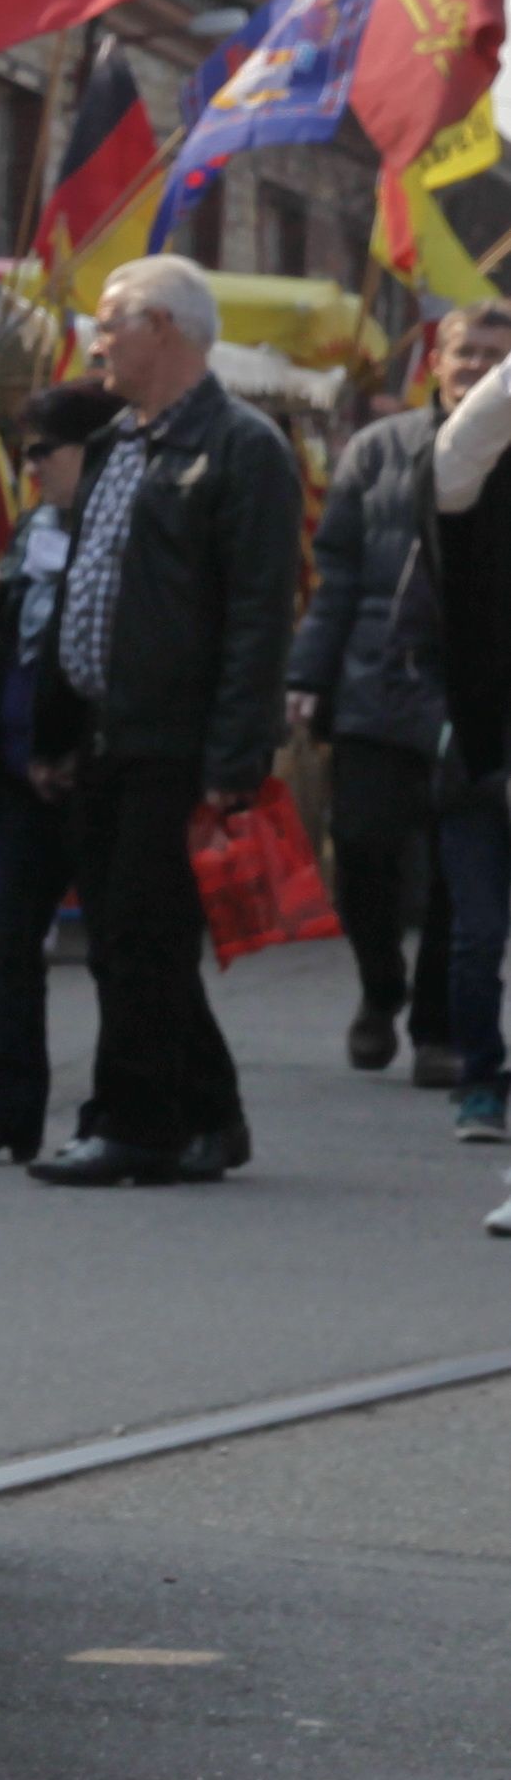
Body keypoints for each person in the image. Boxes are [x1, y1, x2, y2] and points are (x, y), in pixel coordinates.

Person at [31, 256, 305, 1188]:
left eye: (111, 323)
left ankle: (136, 1126)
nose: (96, 342)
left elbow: (260, 612)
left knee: (144, 938)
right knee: (119, 936)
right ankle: (212, 1117)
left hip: (175, 739)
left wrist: (236, 752)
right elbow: (84, 589)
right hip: (103, 730)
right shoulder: (114, 442)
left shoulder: (243, 447)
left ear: (164, 329)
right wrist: (56, 730)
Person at [292, 303, 502, 1081]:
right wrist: (306, 678)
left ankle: (438, 1028)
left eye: (494, 354)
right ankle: (381, 986)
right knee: (368, 852)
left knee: (461, 873)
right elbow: (337, 574)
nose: (476, 366)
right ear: (437, 363)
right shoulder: (378, 451)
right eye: (465, 351)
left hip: (477, 695)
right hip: (376, 688)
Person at [0, 380, 123, 1163]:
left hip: (90, 775)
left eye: (46, 450)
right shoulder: (36, 527)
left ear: (93, 450)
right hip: (14, 779)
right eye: (26, 448)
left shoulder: (120, 531)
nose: (31, 464)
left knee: (116, 952)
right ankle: (9, 1105)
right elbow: (21, 645)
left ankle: (116, 1109)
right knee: (5, 945)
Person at [420, 319, 511, 1176]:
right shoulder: (465, 482)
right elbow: (463, 447)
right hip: (480, 755)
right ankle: (480, 1079)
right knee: (479, 937)